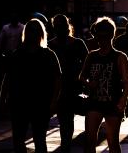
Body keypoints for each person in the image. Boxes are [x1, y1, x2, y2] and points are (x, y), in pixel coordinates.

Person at [0, 18, 62, 153]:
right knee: (23, 139)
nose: (33, 34)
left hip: (38, 103)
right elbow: (8, 78)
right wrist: (3, 98)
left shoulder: (47, 54)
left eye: (35, 31)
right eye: (31, 31)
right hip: (22, 102)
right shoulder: (20, 54)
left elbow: (58, 79)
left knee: (35, 139)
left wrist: (54, 101)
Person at [79, 17, 128, 153]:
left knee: (112, 141)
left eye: (104, 36)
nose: (100, 39)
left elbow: (127, 82)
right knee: (90, 139)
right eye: (99, 35)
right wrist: (90, 83)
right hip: (94, 102)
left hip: (113, 102)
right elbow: (82, 76)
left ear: (111, 35)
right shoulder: (92, 56)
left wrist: (123, 101)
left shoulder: (120, 57)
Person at [48, 14, 89, 152]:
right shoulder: (77, 43)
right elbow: (87, 63)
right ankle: (66, 145)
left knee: (65, 120)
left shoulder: (50, 45)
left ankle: (66, 146)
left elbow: (87, 64)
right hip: (71, 86)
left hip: (65, 87)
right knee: (66, 120)